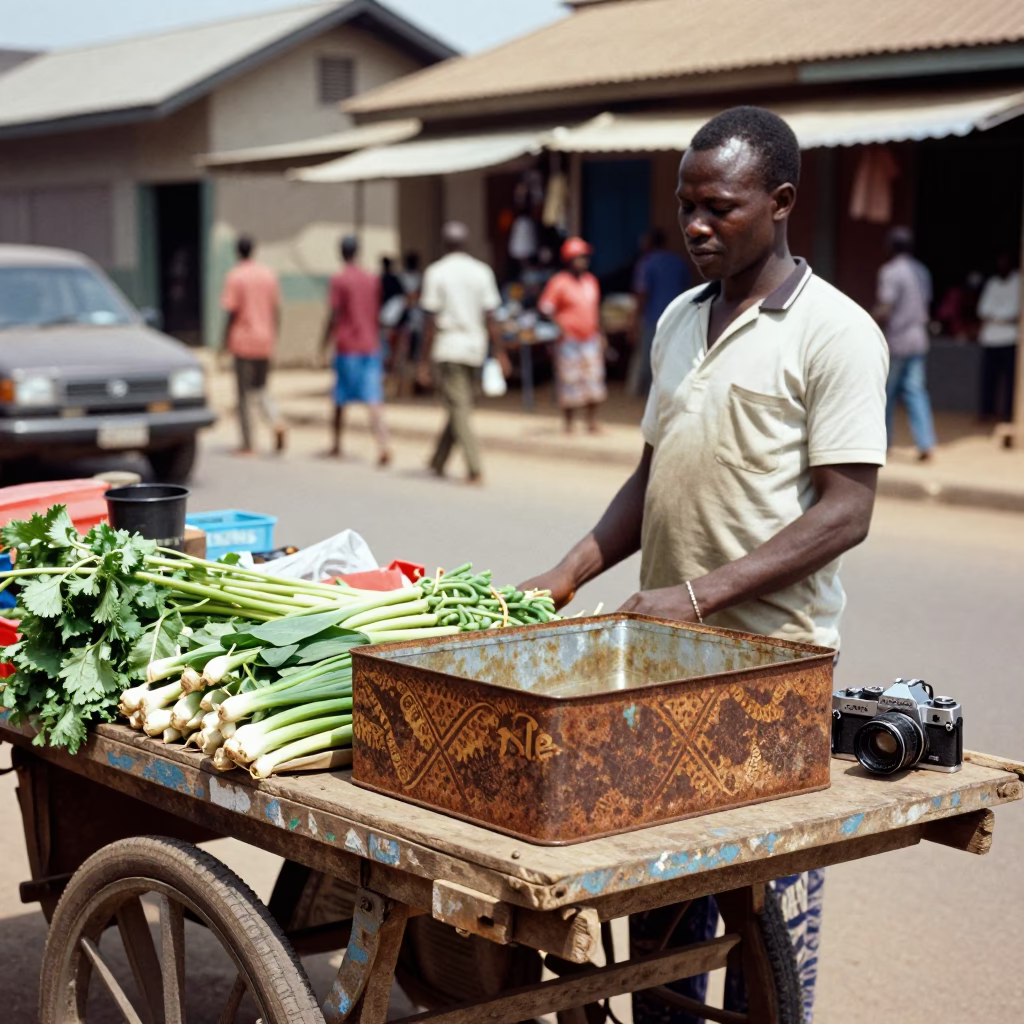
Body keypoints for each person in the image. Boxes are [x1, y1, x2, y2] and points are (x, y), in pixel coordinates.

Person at [521, 106, 888, 1024]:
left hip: (773, 675)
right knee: (657, 932)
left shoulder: (834, 332)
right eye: (687, 206)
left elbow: (848, 510)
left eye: (718, 208)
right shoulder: (680, 319)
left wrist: (696, 596)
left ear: (782, 202)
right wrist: (566, 573)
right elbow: (654, 477)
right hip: (665, 666)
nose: (695, 226)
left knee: (766, 945)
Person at [418, 221, 510, 484]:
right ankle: (438, 460)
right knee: (460, 405)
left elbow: (429, 322)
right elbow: (491, 317)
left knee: (459, 407)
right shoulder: (481, 272)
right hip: (474, 348)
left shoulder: (436, 272)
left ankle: (474, 467)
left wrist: (423, 361)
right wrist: (500, 352)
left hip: (449, 348)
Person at [320, 235, 391, 465]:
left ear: (341, 253)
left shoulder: (339, 280)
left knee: (340, 398)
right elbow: (377, 311)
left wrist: (323, 343)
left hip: (348, 346)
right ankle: (383, 443)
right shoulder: (371, 279)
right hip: (370, 344)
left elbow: (334, 314)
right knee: (373, 398)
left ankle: (336, 444)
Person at [220, 235, 287, 455]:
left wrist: (223, 342)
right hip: (264, 340)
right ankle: (276, 421)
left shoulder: (235, 276)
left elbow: (231, 312)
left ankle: (248, 444)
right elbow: (276, 310)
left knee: (243, 395)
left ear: (238, 252)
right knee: (261, 389)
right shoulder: (268, 275)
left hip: (243, 341)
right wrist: (273, 337)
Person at [874, 226, 936, 460]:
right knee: (916, 391)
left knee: (886, 393)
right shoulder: (922, 271)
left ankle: (883, 443)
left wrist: (866, 319)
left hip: (898, 340)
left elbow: (886, 308)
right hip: (919, 338)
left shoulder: (890, 272)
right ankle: (926, 443)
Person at [539, 237, 607, 433]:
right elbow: (546, 307)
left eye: (585, 257)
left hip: (590, 338)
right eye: (580, 257)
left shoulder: (591, 281)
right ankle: (569, 423)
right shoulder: (559, 282)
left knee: (593, 379)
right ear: (569, 259)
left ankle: (591, 422)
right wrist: (558, 326)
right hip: (569, 340)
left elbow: (596, 309)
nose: (584, 261)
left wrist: (601, 333)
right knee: (570, 381)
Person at [630, 227, 690, 397]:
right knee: (672, 356)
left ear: (649, 243)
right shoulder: (679, 262)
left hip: (653, 318)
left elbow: (642, 294)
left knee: (649, 358)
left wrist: (634, 321)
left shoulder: (647, 263)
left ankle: (649, 393)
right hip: (678, 318)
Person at [976, 254, 1020, 422]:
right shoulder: (992, 283)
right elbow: (982, 309)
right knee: (988, 379)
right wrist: (1002, 317)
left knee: (1011, 381)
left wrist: (996, 317)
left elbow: (1015, 312)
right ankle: (987, 413)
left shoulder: (1018, 282)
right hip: (990, 338)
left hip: (1010, 338)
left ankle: (1009, 415)